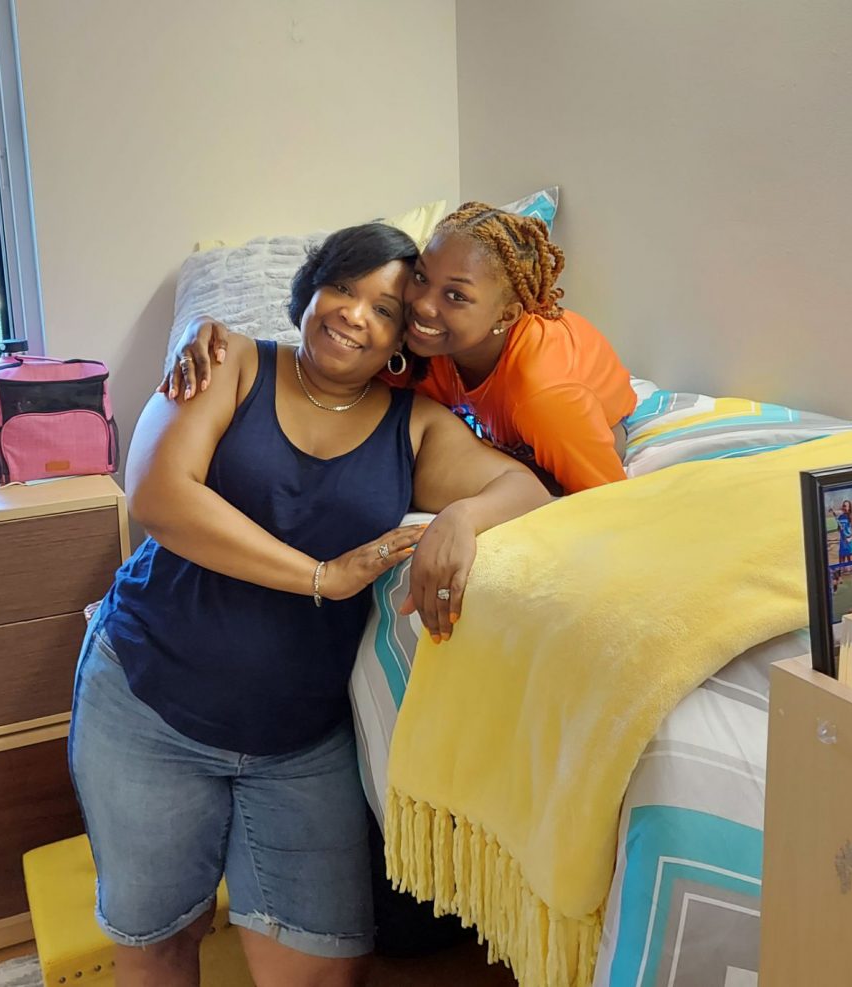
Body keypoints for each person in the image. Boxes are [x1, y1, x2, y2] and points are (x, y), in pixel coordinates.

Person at [70, 223, 550, 987]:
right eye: (343, 286)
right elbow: (159, 497)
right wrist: (321, 577)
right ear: (311, 291)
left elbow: (524, 489)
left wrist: (459, 518)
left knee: (328, 968)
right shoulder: (225, 359)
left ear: (403, 339)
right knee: (162, 937)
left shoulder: (414, 425)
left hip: (298, 742)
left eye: (384, 308)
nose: (353, 313)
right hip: (149, 705)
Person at [163, 202, 636, 496]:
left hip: (592, 416)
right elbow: (329, 359)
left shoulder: (545, 395)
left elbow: (608, 498)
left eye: (455, 296)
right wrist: (201, 326)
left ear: (506, 317)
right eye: (423, 279)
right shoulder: (425, 352)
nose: (421, 306)